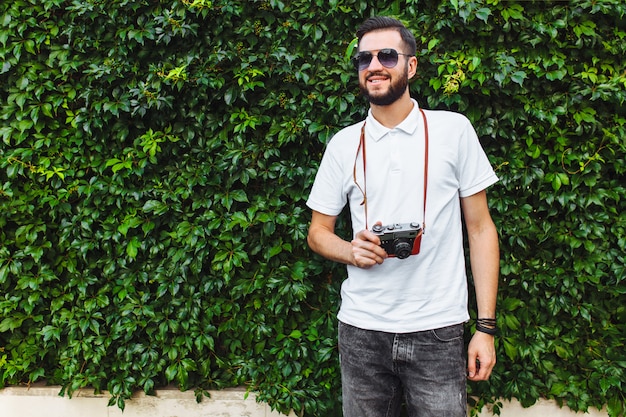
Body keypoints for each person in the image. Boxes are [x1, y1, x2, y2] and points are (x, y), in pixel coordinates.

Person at [306, 16, 500, 417]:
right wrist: (350, 250)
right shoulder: (343, 145)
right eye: (364, 59)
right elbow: (318, 233)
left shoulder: (454, 131)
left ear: (411, 66)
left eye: (387, 55)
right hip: (362, 329)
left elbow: (481, 230)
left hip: (438, 327)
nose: (374, 65)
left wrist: (485, 328)